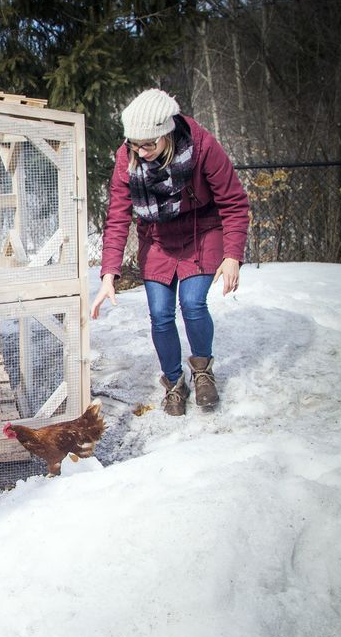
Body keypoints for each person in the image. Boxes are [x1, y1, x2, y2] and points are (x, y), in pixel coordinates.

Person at [90, 88, 249, 415]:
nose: (141, 151)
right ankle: (174, 382)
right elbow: (118, 215)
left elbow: (233, 202)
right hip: (157, 239)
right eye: (135, 144)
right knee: (161, 315)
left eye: (149, 144)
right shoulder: (128, 157)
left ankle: (203, 371)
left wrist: (232, 255)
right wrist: (109, 273)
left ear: (168, 133)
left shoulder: (202, 147)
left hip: (201, 231)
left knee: (192, 303)